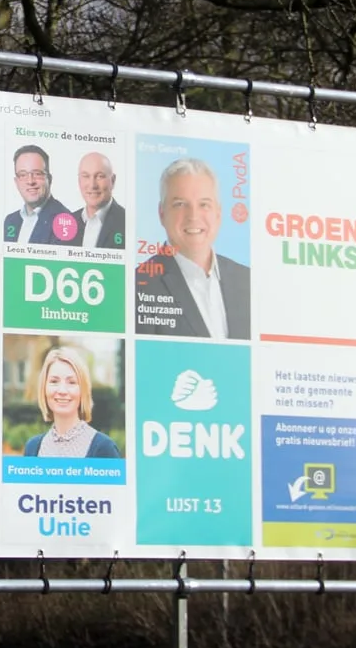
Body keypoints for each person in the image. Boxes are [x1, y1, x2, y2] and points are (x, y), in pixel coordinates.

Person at [137, 158, 250, 339]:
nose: (193, 216)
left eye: (204, 204)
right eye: (180, 204)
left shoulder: (248, 280)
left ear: (218, 213)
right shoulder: (137, 286)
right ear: (162, 213)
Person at [22, 348, 122, 458]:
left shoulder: (104, 449)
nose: (62, 391)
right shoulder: (32, 448)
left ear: (82, 390)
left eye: (72, 382)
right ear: (44, 388)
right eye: (54, 381)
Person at [2, 144, 73, 245]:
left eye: (37, 174)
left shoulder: (64, 222)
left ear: (49, 179)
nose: (30, 181)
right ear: (16, 182)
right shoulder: (11, 221)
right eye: (23, 175)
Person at [70, 152, 126, 249]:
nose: (92, 185)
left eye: (100, 176)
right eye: (86, 176)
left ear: (112, 181)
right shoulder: (69, 223)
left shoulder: (127, 223)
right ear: (79, 181)